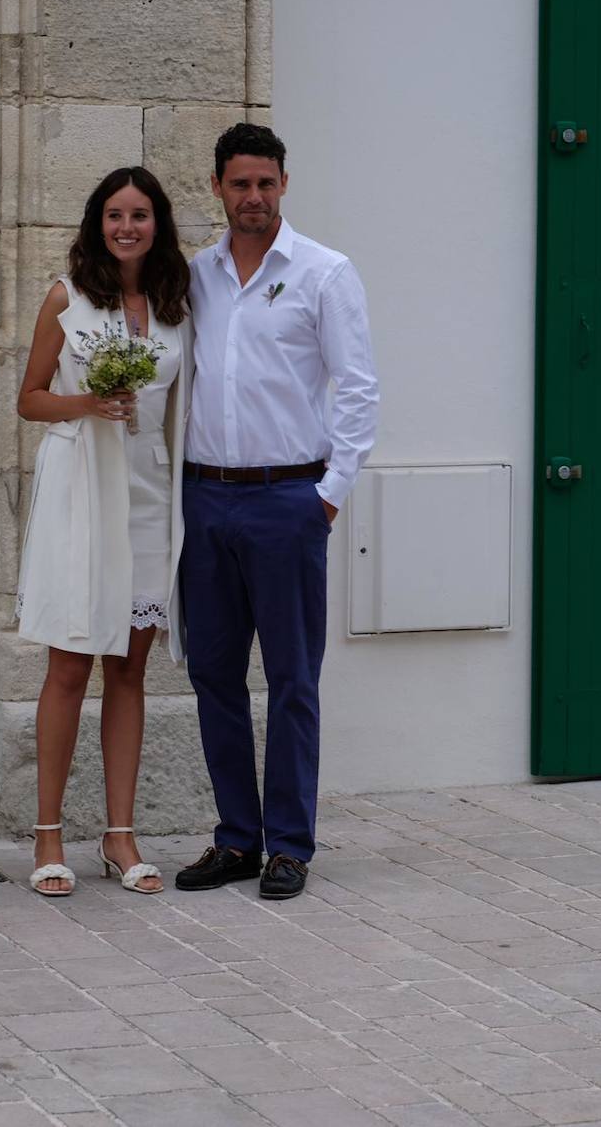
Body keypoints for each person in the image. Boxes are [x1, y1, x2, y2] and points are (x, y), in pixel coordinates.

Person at [176, 123, 378, 900]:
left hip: (289, 499)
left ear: (283, 185)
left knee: (292, 678)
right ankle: (236, 838)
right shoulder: (197, 276)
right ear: (218, 188)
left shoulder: (325, 273)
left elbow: (357, 387)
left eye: (265, 183)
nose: (252, 198)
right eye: (238, 184)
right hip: (208, 500)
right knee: (214, 674)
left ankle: (289, 844)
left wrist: (326, 497)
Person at [17, 166, 190, 897]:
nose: (127, 226)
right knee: (69, 665)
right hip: (81, 488)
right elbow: (28, 399)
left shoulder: (177, 306)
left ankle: (120, 836)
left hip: (147, 490)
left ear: (158, 224)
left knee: (129, 668)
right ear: (97, 221)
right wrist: (86, 401)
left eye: (140, 214)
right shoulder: (67, 296)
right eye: (115, 213)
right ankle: (48, 836)